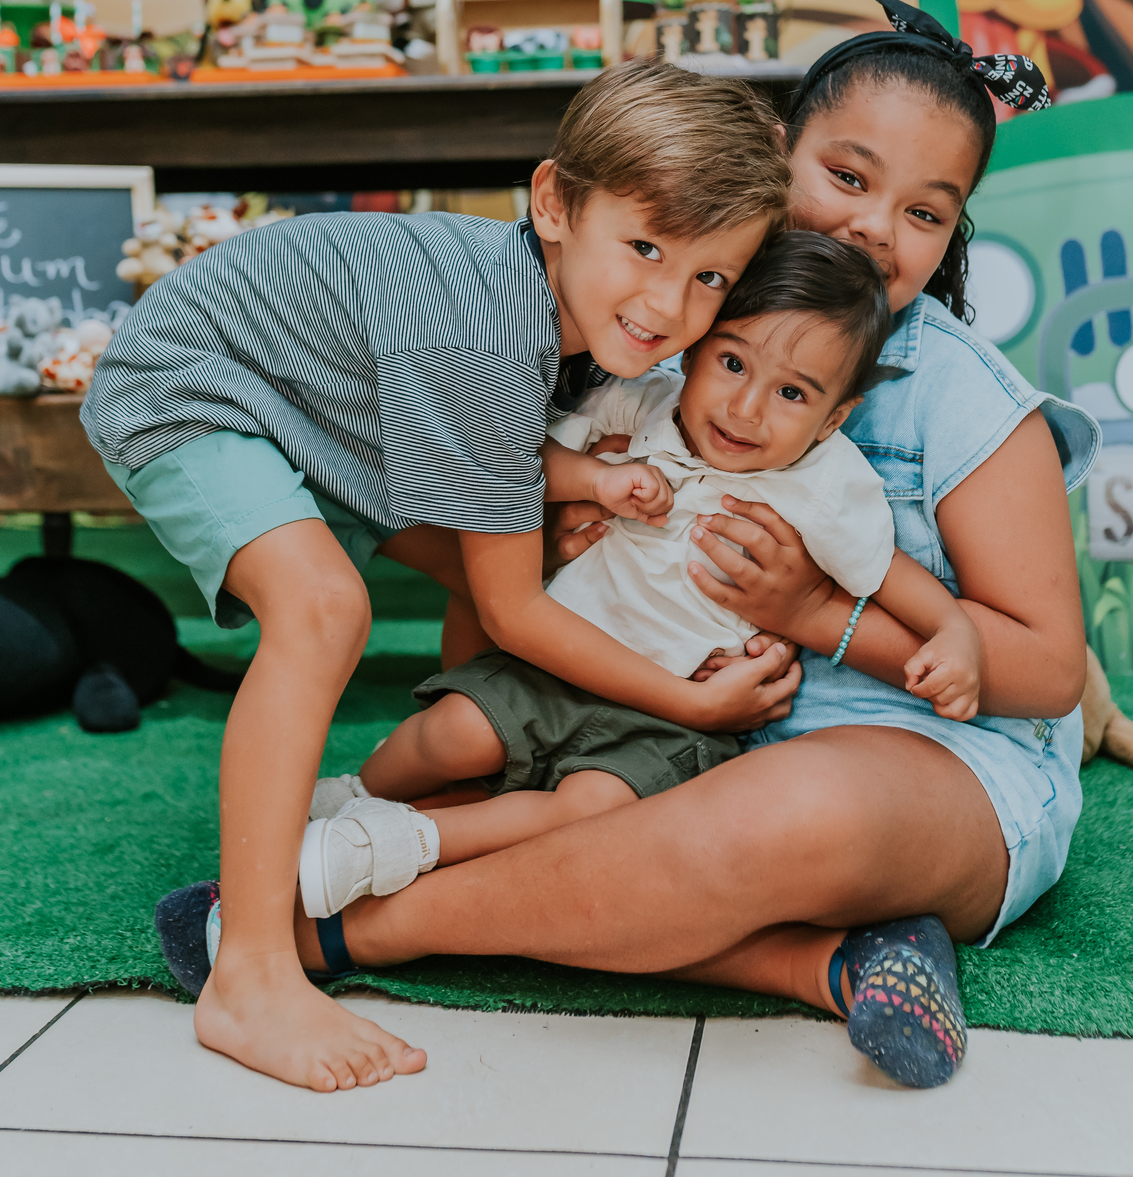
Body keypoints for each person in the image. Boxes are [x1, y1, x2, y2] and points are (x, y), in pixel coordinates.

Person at [262, 0, 1099, 1093]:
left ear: (952, 233)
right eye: (846, 177)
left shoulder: (964, 401)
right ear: (776, 155)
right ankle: (835, 963)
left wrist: (817, 616)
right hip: (671, 724)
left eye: (925, 213)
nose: (872, 228)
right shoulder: (669, 321)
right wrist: (565, 528)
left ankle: (350, 932)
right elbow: (505, 520)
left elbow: (1047, 674)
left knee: (788, 815)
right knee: (519, 781)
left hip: (921, 772)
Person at [83, 60, 799, 1093]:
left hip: (314, 418)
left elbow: (500, 490)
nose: (668, 304)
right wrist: (692, 699)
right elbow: (515, 614)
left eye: (710, 278)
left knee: (506, 559)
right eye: (644, 247)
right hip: (190, 386)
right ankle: (246, 973)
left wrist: (585, 481)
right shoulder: (484, 333)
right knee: (327, 610)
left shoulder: (561, 316)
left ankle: (458, 785)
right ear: (553, 205)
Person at [294, 231, 982, 923]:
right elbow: (525, 470)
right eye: (733, 362)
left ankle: (407, 841)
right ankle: (352, 794)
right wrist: (599, 476)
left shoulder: (825, 485)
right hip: (562, 657)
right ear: (694, 350)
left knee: (591, 811)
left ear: (834, 417)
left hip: (670, 716)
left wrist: (951, 629)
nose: (746, 409)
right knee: (451, 733)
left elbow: (887, 574)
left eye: (793, 392)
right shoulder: (644, 405)